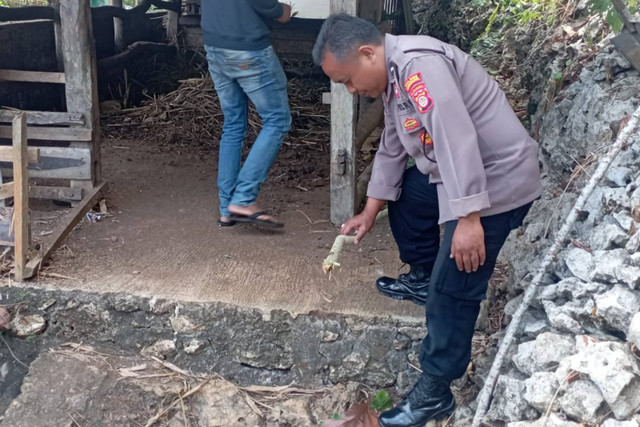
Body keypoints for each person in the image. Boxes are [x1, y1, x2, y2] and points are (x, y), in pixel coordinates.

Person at [313, 13, 542, 427]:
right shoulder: (395, 74)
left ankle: (435, 391)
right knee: (405, 194)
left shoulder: (420, 68)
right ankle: (421, 274)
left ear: (368, 53)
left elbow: (456, 139)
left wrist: (468, 218)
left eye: (347, 79)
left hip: (495, 183)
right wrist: (369, 210)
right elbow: (393, 146)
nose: (351, 90)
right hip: (463, 176)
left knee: (454, 283)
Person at [201, 0, 293, 228]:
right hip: (247, 49)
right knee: (277, 120)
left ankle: (226, 208)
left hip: (215, 45)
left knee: (233, 123)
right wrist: (281, 11)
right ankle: (243, 198)